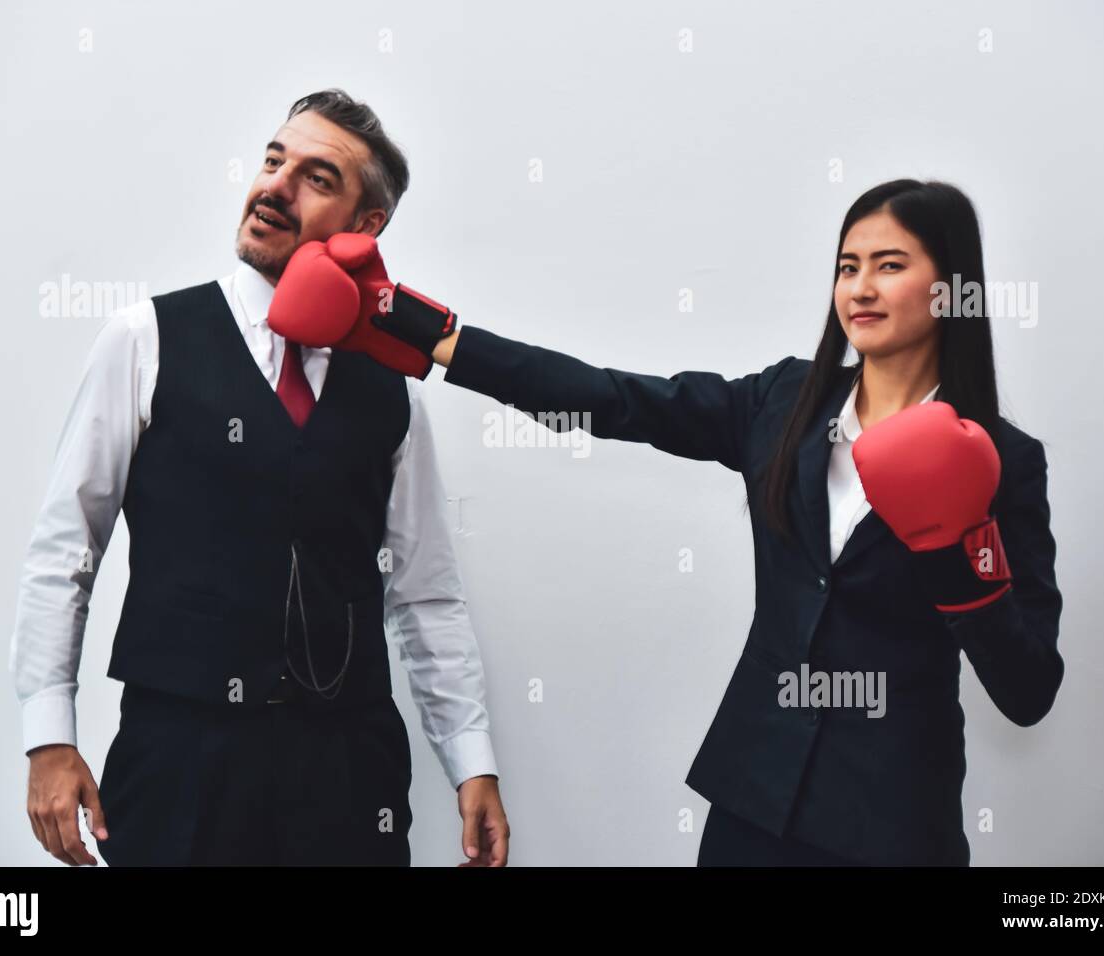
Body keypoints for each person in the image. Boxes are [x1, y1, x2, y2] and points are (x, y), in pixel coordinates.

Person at [291, 178, 1063, 866]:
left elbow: (1028, 689)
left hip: (893, 823)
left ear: (951, 286)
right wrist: (426, 332)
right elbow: (611, 399)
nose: (860, 287)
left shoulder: (1002, 459)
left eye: (890, 265)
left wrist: (963, 555)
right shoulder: (782, 404)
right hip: (752, 803)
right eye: (847, 266)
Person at [11, 89, 509, 867]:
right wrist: (49, 737)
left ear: (365, 227)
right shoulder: (146, 340)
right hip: (180, 763)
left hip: (348, 775)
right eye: (274, 159)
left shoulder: (392, 389)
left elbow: (425, 592)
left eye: (317, 177)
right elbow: (64, 550)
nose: (275, 184)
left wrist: (471, 758)